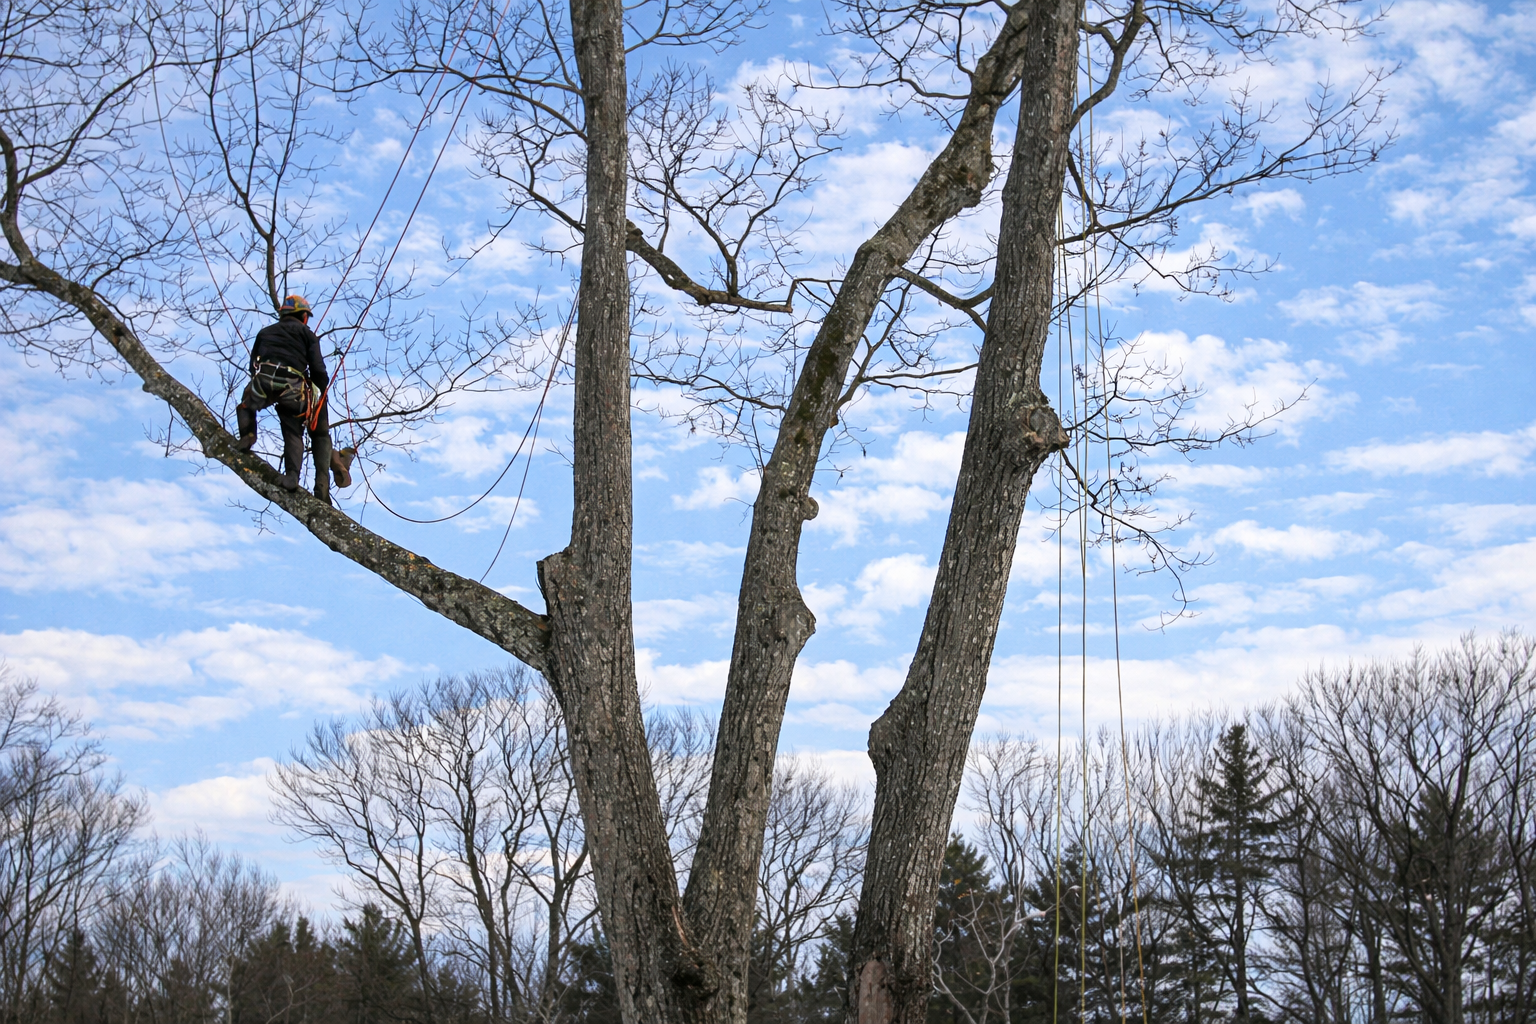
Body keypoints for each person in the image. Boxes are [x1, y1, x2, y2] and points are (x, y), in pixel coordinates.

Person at [233, 294, 354, 500]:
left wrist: (258, 383)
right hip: (291, 385)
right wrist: (320, 390)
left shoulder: (265, 332)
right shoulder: (308, 335)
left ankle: (248, 435)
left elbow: (253, 364)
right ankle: (297, 477)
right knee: (293, 430)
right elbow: (318, 370)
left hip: (264, 379)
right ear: (304, 316)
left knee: (246, 406)